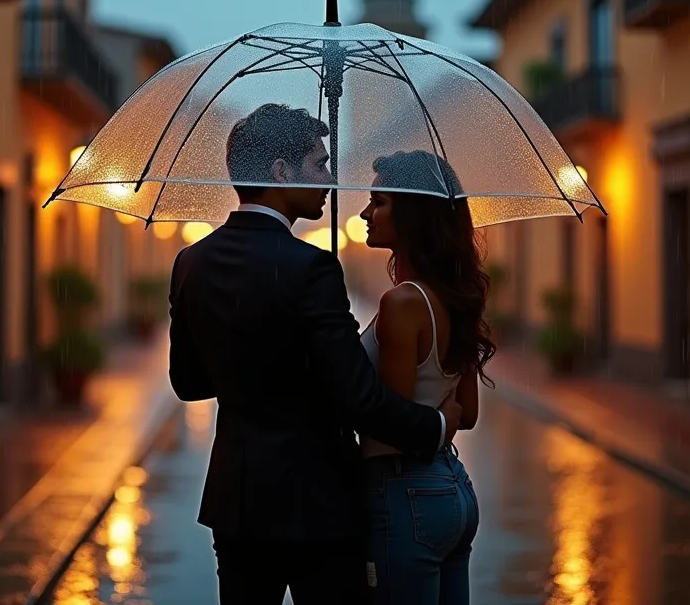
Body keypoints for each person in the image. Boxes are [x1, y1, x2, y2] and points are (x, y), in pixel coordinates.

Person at [168, 103, 461, 604]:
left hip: (238, 502)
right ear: (282, 171)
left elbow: (188, 383)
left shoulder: (191, 261)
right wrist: (434, 426)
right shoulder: (311, 267)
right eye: (320, 164)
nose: (330, 179)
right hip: (318, 502)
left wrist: (253, 369)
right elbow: (358, 398)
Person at [356, 150, 492, 604]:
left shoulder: (402, 303)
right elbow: (467, 413)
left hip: (403, 490)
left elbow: (395, 425)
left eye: (379, 202)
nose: (365, 214)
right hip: (452, 488)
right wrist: (443, 416)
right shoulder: (454, 297)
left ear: (413, 213)